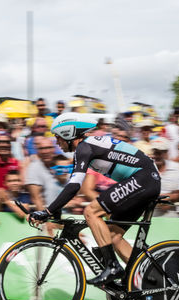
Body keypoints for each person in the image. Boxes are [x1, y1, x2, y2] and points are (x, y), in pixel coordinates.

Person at [28, 113, 161, 286]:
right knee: (113, 236)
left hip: (144, 179)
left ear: (68, 134)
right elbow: (71, 186)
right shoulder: (87, 147)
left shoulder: (84, 147)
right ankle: (149, 280)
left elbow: (74, 186)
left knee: (91, 211)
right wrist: (55, 210)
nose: (57, 142)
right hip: (146, 180)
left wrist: (47, 211)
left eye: (58, 137)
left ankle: (112, 266)